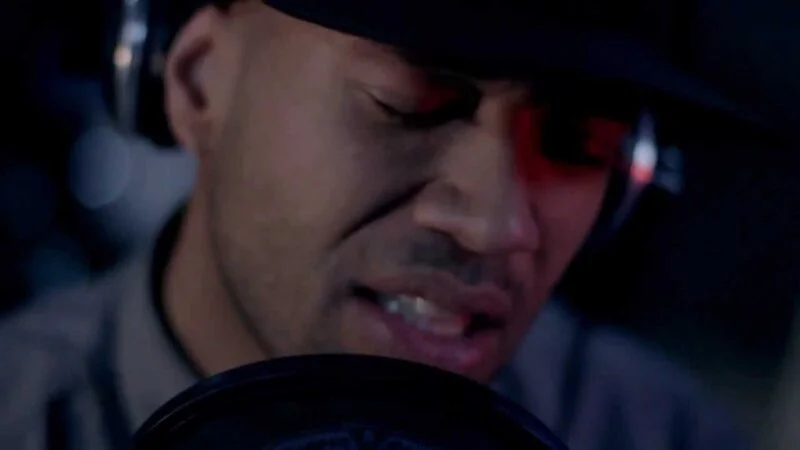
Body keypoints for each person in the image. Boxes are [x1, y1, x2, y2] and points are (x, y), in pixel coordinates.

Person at [0, 1, 753, 449]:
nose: (495, 226)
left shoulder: (660, 434)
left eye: (577, 144)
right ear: (198, 81)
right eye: (408, 106)